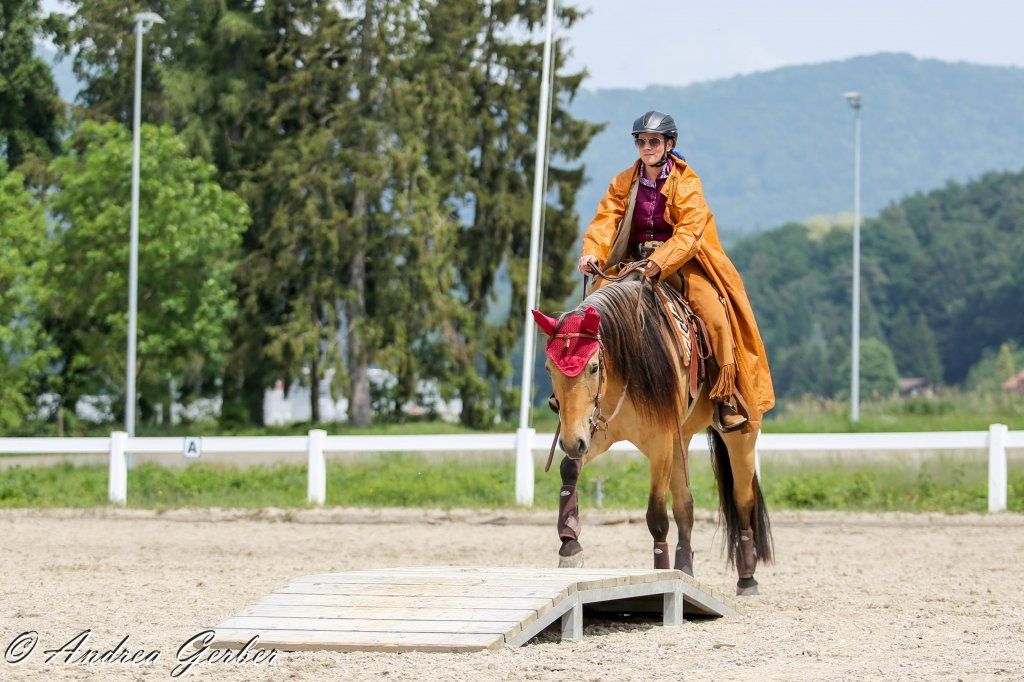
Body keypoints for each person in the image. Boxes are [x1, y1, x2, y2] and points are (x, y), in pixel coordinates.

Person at [578, 110, 774, 431]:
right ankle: (583, 389)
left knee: (715, 316)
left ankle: (725, 397)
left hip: (680, 263)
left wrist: (661, 262)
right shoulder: (623, 182)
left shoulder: (687, 182)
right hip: (635, 262)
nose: (646, 147)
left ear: (669, 144)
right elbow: (605, 220)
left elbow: (690, 232)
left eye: (653, 141)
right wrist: (591, 253)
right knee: (591, 307)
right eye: (641, 141)